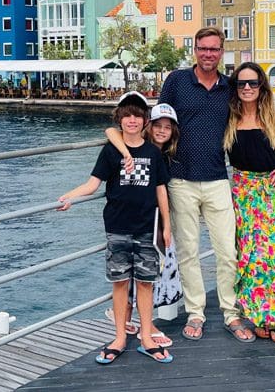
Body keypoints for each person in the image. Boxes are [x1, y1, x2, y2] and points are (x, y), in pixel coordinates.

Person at [58, 91, 174, 364]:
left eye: (138, 115)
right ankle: (120, 336)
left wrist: (166, 227)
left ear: (145, 120)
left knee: (146, 284)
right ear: (119, 119)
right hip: (117, 228)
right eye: (127, 115)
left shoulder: (152, 153)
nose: (132, 120)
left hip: (147, 227)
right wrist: (69, 197)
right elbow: (92, 184)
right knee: (120, 284)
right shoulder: (110, 151)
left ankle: (146, 337)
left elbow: (161, 192)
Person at [158, 27, 254, 343]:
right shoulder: (176, 81)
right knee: (188, 251)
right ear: (195, 49)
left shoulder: (230, 87)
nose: (208, 54)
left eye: (214, 49)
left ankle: (230, 312)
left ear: (221, 51)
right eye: (203, 48)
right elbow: (160, 124)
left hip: (217, 179)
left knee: (228, 251)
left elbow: (252, 117)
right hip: (180, 179)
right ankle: (196, 312)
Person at [224, 62, 275, 343]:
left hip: (270, 192)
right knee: (249, 257)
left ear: (261, 87)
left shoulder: (273, 116)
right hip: (243, 192)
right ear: (235, 88)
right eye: (241, 83)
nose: (247, 88)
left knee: (272, 257)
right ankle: (258, 317)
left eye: (253, 83)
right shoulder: (230, 118)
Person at [104, 101, 183, 348]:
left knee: (151, 273)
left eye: (167, 128)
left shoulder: (161, 154)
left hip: (153, 221)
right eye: (157, 125)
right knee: (128, 275)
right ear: (148, 125)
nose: (161, 131)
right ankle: (130, 321)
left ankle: (142, 325)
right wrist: (127, 153)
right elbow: (111, 131)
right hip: (132, 221)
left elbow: (160, 190)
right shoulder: (137, 147)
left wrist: (166, 226)